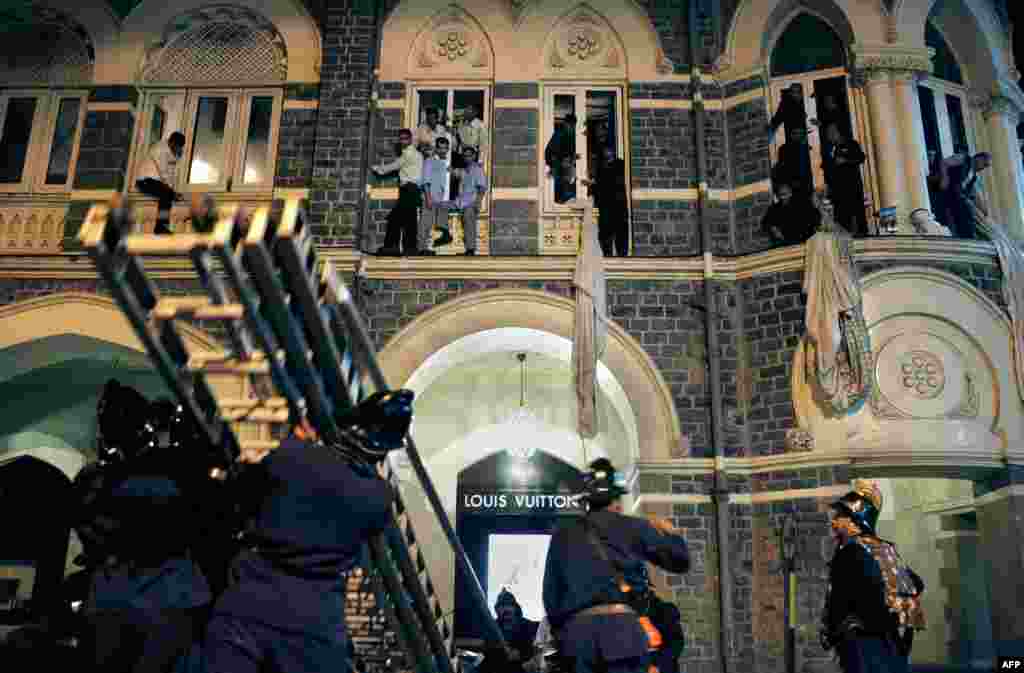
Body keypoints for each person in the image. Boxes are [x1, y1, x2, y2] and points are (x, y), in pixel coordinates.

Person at [204, 389, 415, 673]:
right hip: (316, 619)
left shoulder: (289, 455)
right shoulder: (379, 497)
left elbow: (240, 496)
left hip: (250, 599)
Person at [74, 380, 213, 673]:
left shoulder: (172, 468)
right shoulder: (102, 476)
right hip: (133, 595)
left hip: (163, 594)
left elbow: (193, 521)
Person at [543, 458, 690, 673]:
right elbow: (680, 561)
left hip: (577, 640)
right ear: (616, 497)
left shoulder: (562, 535)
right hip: (623, 635)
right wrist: (671, 532)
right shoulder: (633, 526)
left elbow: (551, 597)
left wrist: (566, 634)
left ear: (586, 499)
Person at [819, 480, 926, 673]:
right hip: (892, 638)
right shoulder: (884, 547)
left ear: (855, 521)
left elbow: (838, 599)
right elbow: (917, 584)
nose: (834, 522)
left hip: (862, 640)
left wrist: (831, 632)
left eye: (841, 517)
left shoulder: (849, 552)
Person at [373, 129, 424, 256]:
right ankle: (409, 248)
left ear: (410, 139)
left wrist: (377, 169)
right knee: (409, 219)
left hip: (409, 189)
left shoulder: (409, 154)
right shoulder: (415, 154)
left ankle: (393, 247)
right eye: (401, 139)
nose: (403, 141)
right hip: (411, 190)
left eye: (405, 138)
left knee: (395, 218)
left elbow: (394, 166)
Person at [822, 124, 868, 237]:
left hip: (852, 188)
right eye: (828, 133)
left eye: (830, 133)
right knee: (841, 218)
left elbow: (861, 157)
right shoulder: (828, 148)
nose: (828, 136)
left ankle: (861, 236)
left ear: (837, 133)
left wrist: (845, 160)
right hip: (837, 190)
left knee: (856, 215)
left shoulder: (851, 144)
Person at [478, 589, 540, 673]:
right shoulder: (491, 628)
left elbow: (542, 645)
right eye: (501, 606)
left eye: (508, 605)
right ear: (497, 610)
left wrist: (522, 654)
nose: (505, 609)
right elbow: (482, 647)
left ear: (515, 608)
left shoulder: (530, 626)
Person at [135, 132, 185, 235]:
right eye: (177, 146)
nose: (178, 149)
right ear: (171, 143)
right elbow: (163, 173)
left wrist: (173, 192)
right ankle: (160, 228)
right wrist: (172, 192)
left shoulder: (170, 154)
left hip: (154, 181)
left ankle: (161, 227)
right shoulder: (160, 149)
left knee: (167, 194)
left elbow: (169, 175)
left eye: (179, 147)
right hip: (145, 180)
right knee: (166, 194)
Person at [583, 147, 629, 256]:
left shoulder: (620, 165)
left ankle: (622, 256)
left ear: (613, 151)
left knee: (620, 234)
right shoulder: (600, 166)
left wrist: (594, 185)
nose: (606, 152)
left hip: (618, 205)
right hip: (604, 206)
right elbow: (600, 187)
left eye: (608, 149)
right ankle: (607, 256)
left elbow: (615, 183)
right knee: (605, 234)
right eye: (605, 150)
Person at [938, 151, 992, 239]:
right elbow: (944, 162)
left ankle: (968, 236)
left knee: (968, 212)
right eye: (984, 164)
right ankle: (966, 235)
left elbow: (972, 193)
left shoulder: (973, 176)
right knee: (965, 209)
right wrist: (945, 177)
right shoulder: (964, 158)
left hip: (955, 197)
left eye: (986, 166)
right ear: (979, 158)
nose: (983, 168)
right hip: (946, 190)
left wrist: (983, 209)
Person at [421, 137, 454, 255]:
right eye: (440, 148)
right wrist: (428, 197)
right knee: (426, 222)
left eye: (445, 148)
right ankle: (422, 248)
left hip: (442, 199)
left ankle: (432, 246)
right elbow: (426, 180)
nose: (442, 151)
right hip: (431, 196)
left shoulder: (447, 163)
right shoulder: (429, 161)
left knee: (439, 225)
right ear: (436, 148)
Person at [453, 144, 487, 256]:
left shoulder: (477, 169)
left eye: (469, 156)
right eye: (465, 156)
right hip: (462, 203)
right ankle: (467, 247)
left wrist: (478, 202)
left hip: (471, 203)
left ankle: (470, 249)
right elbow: (453, 172)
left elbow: (482, 188)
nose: (467, 158)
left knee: (469, 224)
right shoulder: (463, 171)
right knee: (465, 224)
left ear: (474, 156)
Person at [772, 126, 815, 204]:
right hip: (794, 187)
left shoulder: (803, 147)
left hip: (803, 187)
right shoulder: (787, 149)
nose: (800, 135)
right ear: (792, 135)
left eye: (801, 134)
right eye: (797, 133)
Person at [546, 113, 578, 204]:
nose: (572, 128)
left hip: (560, 165)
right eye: (571, 125)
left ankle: (563, 199)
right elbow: (550, 152)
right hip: (558, 165)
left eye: (573, 126)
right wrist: (554, 165)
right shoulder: (560, 134)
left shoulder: (571, 136)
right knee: (560, 186)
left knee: (566, 184)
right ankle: (561, 199)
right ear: (566, 124)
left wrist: (571, 158)